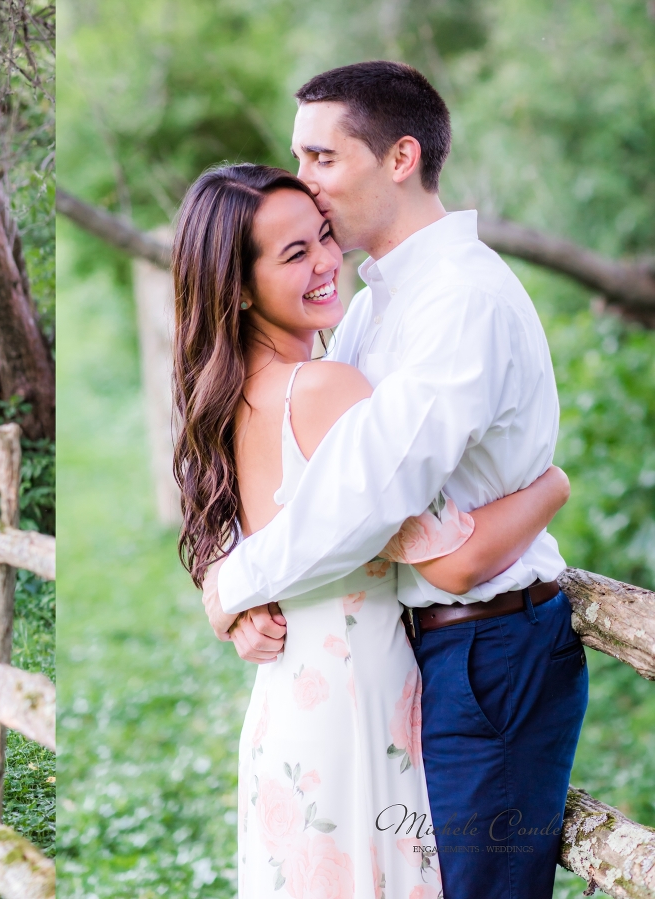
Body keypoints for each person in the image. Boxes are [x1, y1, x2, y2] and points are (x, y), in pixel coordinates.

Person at [206, 63, 588, 899]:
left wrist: (233, 582)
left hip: (488, 645)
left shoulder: (461, 301)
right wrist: (237, 588)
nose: (304, 181)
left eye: (322, 158)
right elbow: (312, 480)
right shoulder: (374, 306)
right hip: (426, 642)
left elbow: (370, 496)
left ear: (401, 156)